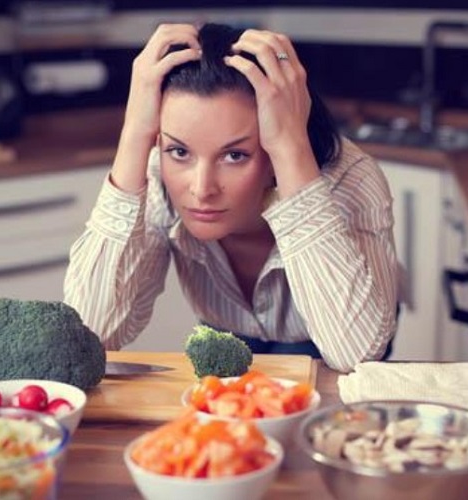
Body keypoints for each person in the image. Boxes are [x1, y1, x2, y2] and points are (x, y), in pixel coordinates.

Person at [64, 23, 399, 372]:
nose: (201, 188)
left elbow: (356, 356)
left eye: (235, 155)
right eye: (179, 150)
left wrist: (290, 148)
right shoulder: (155, 174)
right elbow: (89, 333)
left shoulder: (349, 179)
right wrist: (134, 132)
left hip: (335, 340)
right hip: (225, 335)